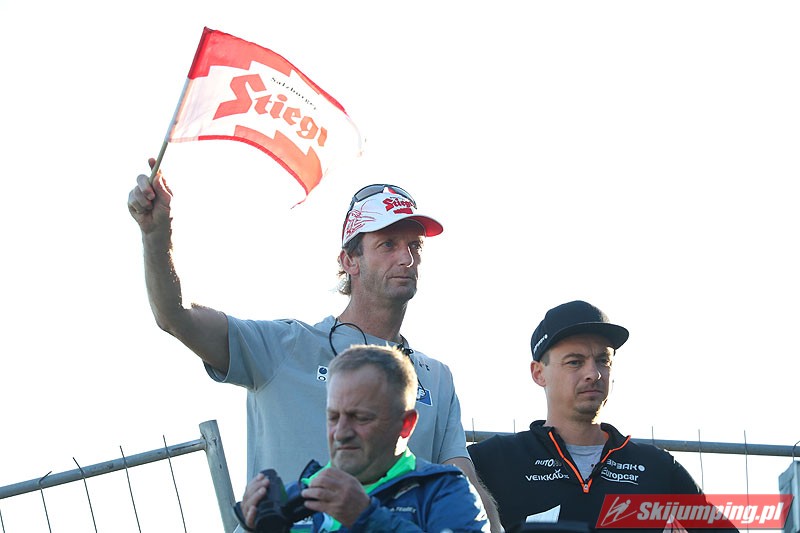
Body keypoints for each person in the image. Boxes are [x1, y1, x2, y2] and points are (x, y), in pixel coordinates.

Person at [127, 162, 500, 529]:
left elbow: (465, 486)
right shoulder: (285, 346)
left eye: (414, 245)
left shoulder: (436, 377)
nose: (407, 258)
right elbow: (175, 316)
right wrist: (156, 235)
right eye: (388, 244)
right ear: (349, 261)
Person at [468, 300, 738, 533]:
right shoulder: (491, 460)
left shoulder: (656, 467)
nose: (593, 373)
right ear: (539, 373)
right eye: (575, 362)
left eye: (603, 361)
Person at [237, 345, 489, 532]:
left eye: (361, 418)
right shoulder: (291, 498)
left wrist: (367, 519)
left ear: (406, 424)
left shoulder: (445, 491)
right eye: (333, 417)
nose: (341, 432)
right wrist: (252, 528)